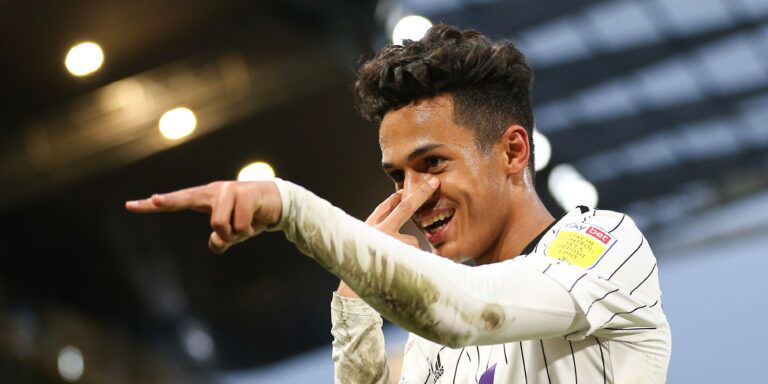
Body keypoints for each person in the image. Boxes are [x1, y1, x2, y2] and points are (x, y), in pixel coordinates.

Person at [126, 25, 670, 383]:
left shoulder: (605, 247)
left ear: (513, 151)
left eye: (432, 163)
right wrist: (357, 308)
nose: (413, 195)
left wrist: (292, 209)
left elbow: (472, 311)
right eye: (397, 175)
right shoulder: (433, 342)